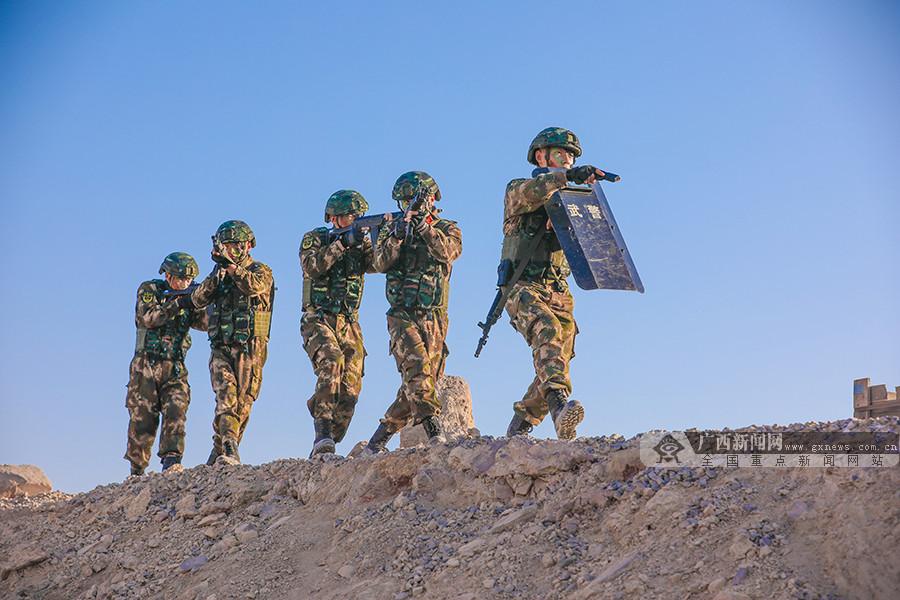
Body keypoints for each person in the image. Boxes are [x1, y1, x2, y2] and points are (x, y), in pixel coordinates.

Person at [502, 127, 611, 440]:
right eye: (562, 153)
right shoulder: (518, 188)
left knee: (558, 359)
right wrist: (568, 177)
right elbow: (533, 192)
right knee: (546, 331)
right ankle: (559, 409)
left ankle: (521, 424)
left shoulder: (573, 198)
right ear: (541, 156)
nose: (568, 159)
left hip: (558, 290)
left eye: (572, 155)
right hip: (523, 286)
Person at [364, 171, 462, 453]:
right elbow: (380, 263)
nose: (412, 205)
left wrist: (424, 228)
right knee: (417, 371)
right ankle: (435, 434)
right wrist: (396, 236)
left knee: (420, 384)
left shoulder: (447, 227)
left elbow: (448, 253)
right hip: (402, 314)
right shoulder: (391, 228)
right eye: (405, 201)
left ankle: (378, 440)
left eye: (417, 200)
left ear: (433, 199)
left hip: (435, 315)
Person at [300, 190, 377, 457]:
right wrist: (343, 244)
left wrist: (393, 235)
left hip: (349, 323)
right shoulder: (316, 239)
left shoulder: (361, 242)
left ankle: (331, 436)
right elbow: (312, 266)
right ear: (334, 217)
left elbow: (378, 264)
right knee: (331, 362)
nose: (356, 220)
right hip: (318, 318)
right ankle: (321, 433)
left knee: (351, 387)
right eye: (350, 216)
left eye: (358, 216)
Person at [190, 220, 274, 465]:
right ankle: (228, 446)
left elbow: (254, 287)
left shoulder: (260, 270)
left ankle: (220, 453)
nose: (231, 250)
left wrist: (234, 269)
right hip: (221, 347)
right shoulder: (219, 275)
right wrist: (218, 275)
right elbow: (197, 299)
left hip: (251, 348)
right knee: (226, 397)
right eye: (226, 245)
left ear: (248, 245)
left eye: (235, 245)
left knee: (243, 403)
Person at [124, 252, 207, 475]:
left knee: (176, 409)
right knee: (143, 419)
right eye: (181, 278)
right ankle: (137, 470)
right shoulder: (150, 290)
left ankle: (171, 460)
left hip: (175, 366)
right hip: (146, 365)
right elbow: (149, 318)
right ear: (168, 276)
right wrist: (179, 302)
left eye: (189, 279)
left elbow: (206, 323)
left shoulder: (189, 297)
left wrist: (207, 298)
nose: (185, 283)